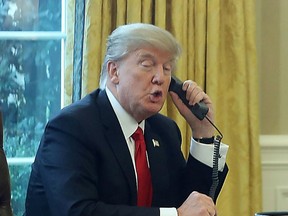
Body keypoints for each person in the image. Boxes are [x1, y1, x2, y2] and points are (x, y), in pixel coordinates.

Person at [24, 23, 229, 216]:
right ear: (114, 72)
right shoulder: (71, 128)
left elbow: (193, 206)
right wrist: (174, 214)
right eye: (147, 65)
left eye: (167, 69)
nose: (159, 77)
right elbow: (79, 211)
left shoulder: (164, 131)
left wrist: (203, 133)